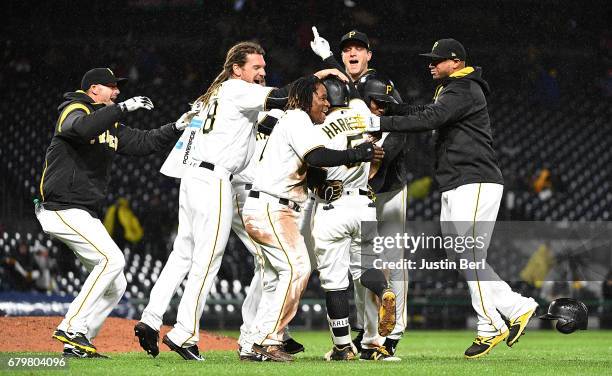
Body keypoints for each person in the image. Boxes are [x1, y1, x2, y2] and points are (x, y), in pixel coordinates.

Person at [134, 42, 347, 361]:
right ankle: (185, 333)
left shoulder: (218, 92)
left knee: (190, 253)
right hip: (217, 179)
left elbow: (262, 119)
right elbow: (282, 95)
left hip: (197, 176)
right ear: (237, 68)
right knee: (209, 259)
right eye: (256, 67)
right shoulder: (236, 88)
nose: (262, 72)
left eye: (263, 68)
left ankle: (164, 322)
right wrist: (316, 75)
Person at [362, 38, 539, 359]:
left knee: (469, 256)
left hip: (474, 181)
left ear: (456, 61)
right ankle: (516, 305)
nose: (431, 64)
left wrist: (381, 121)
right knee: (463, 257)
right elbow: (430, 112)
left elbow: (431, 119)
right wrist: (397, 109)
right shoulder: (452, 90)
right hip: (458, 182)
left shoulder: (464, 88)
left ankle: (491, 325)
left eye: (437, 60)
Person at [35, 67, 186, 358]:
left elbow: (144, 142)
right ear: (94, 89)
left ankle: (78, 343)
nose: (117, 91)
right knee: (111, 259)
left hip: (82, 212)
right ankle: (71, 326)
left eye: (118, 88)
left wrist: (176, 127)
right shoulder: (74, 107)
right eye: (111, 86)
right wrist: (122, 108)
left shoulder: (110, 125)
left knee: (117, 283)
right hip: (61, 207)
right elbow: (79, 129)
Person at [241, 75, 382, 362]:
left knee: (274, 278)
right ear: (306, 97)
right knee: (298, 268)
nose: (326, 102)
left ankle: (252, 341)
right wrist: (357, 152)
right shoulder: (297, 119)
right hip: (271, 206)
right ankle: (266, 342)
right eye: (321, 96)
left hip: (270, 205)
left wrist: (320, 185)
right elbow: (317, 157)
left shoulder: (296, 122)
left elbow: (310, 166)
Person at [311, 27, 410, 359]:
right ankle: (369, 336)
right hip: (360, 193)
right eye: (347, 49)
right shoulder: (345, 85)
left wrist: (377, 167)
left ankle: (389, 336)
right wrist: (325, 58)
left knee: (391, 262)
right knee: (366, 267)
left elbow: (398, 130)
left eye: (359, 49)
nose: (352, 53)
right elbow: (342, 84)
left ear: (369, 55)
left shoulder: (380, 85)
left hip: (386, 187)